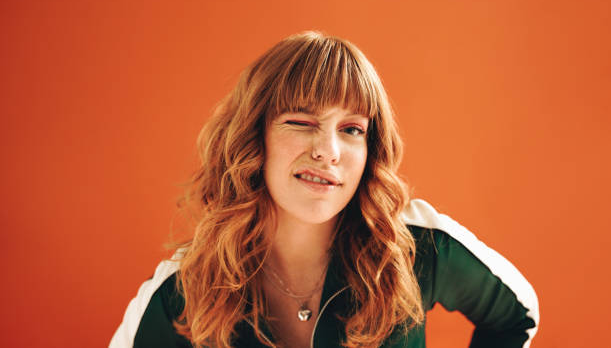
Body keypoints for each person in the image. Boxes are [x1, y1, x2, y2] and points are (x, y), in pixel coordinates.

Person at [110, 31, 539, 348]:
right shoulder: (184, 290)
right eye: (301, 122)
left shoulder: (414, 247)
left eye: (352, 129)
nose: (328, 151)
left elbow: (517, 315)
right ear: (253, 137)